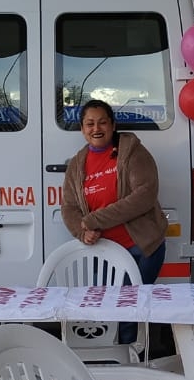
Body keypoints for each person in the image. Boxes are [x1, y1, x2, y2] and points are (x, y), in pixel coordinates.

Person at [62, 98, 168, 284]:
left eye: (102, 122)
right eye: (90, 124)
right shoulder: (76, 164)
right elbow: (69, 206)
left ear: (113, 125)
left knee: (131, 300)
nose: (96, 128)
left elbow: (145, 195)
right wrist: (81, 232)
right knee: (109, 301)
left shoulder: (133, 152)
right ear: (83, 129)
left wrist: (94, 220)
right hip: (103, 252)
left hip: (141, 248)